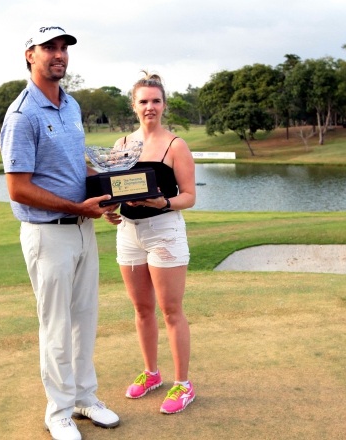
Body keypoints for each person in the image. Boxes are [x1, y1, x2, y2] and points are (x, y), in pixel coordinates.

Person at [0, 22, 120, 440]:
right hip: (47, 234)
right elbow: (18, 187)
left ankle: (86, 398)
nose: (58, 54)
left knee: (84, 319)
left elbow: (75, 168)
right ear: (29, 55)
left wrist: (105, 196)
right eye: (47, 47)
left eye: (63, 47)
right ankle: (59, 412)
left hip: (83, 228)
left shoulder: (71, 105)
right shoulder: (22, 114)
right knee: (55, 325)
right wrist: (76, 206)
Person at [103, 71, 197, 414]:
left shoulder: (176, 145)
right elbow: (113, 191)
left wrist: (165, 203)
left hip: (165, 231)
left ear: (164, 105)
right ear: (134, 105)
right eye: (143, 101)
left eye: (156, 101)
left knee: (171, 311)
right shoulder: (121, 145)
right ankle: (151, 374)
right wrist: (110, 209)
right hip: (128, 233)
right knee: (142, 309)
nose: (150, 107)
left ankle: (183, 385)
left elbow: (189, 196)